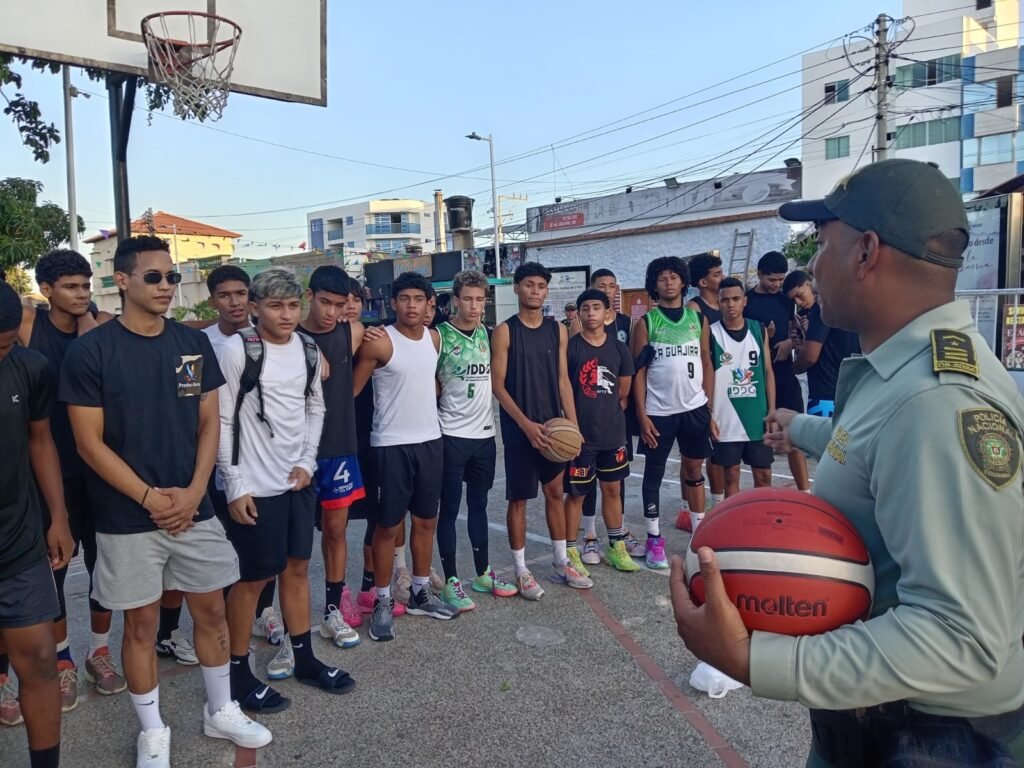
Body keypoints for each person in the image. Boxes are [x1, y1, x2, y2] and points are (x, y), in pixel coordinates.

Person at [671, 158, 1024, 766]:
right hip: (890, 719)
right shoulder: (907, 374)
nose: (811, 267)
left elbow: (963, 637)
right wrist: (802, 427)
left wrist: (754, 660)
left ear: (866, 252)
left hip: (932, 739)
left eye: (823, 245)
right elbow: (870, 445)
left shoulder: (937, 401)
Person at [60, 235, 270, 768]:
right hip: (126, 517)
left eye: (172, 277)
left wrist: (197, 490)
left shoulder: (190, 344)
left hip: (193, 508)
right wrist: (151, 497)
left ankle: (220, 708)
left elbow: (207, 424)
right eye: (154, 277)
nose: (167, 286)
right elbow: (89, 442)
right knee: (142, 625)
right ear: (122, 280)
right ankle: (152, 729)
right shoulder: (91, 352)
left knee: (212, 612)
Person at [217, 268, 354, 709]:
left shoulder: (309, 348)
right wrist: (234, 484)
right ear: (254, 309)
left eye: (293, 305)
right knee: (253, 579)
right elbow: (220, 421)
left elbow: (316, 407)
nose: (286, 314)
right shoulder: (237, 351)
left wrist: (307, 461)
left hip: (296, 481)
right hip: (253, 485)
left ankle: (305, 658)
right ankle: (237, 674)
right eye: (275, 306)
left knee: (297, 568)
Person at [16, 249, 126, 708]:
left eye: (86, 286)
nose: (82, 295)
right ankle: (61, 662)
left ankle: (97, 652)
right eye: (71, 287)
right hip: (45, 469)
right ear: (46, 291)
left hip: (96, 468)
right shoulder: (28, 325)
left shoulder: (98, 327)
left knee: (106, 567)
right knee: (56, 568)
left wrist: (86, 325)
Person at [354, 272, 457, 642]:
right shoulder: (380, 342)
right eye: (404, 299)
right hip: (390, 445)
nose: (411, 305)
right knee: (387, 527)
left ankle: (419, 590)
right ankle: (382, 600)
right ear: (393, 303)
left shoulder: (433, 339)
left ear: (429, 303)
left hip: (431, 441)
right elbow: (352, 393)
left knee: (426, 521)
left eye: (418, 299)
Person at [197, 266, 286, 680]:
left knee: (267, 560)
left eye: (240, 293)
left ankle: (263, 613)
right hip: (223, 468)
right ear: (212, 299)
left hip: (270, 469)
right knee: (236, 558)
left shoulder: (273, 337)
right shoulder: (203, 343)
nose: (233, 301)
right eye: (224, 295)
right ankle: (231, 649)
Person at [0, 279, 75, 768]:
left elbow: (41, 441)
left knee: (41, 660)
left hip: (18, 540)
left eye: (4, 344)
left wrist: (59, 517)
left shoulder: (29, 368)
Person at [491, 262, 582, 597]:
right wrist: (525, 424)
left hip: (554, 426)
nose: (534, 291)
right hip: (520, 428)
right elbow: (497, 385)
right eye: (528, 285)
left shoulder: (557, 329)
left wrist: (573, 423)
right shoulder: (504, 331)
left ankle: (561, 560)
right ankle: (521, 569)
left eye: (540, 286)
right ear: (516, 288)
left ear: (546, 291)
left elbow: (563, 381)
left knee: (555, 493)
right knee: (519, 499)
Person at [434, 270, 518, 611]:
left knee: (480, 505)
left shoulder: (487, 333)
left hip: (484, 435)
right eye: (467, 298)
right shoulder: (438, 336)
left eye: (479, 299)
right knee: (449, 510)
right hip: (451, 435)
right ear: (455, 300)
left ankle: (483, 572)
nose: (473, 305)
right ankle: (452, 580)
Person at [631, 256, 716, 564]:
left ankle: (698, 535)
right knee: (654, 473)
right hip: (659, 412)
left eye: (673, 277)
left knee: (694, 471)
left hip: (693, 409)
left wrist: (708, 404)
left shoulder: (698, 320)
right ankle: (654, 539)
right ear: (654, 284)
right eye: (662, 278)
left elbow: (707, 361)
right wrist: (641, 415)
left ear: (683, 281)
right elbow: (638, 371)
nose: (668, 282)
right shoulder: (647, 323)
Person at [299, 266, 365, 647]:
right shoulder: (289, 334)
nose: (331, 312)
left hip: (339, 446)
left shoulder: (352, 332)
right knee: (293, 543)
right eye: (325, 302)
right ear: (310, 296)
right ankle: (270, 613)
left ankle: (333, 609)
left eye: (339, 305)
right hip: (295, 452)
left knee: (337, 530)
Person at [571, 268, 645, 564]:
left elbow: (624, 390)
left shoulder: (618, 347)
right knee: (577, 493)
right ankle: (575, 548)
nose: (591, 313)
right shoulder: (571, 347)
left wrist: (609, 412)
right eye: (586, 308)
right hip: (579, 436)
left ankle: (616, 545)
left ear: (606, 312)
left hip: (612, 433)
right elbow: (565, 387)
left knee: (612, 488)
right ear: (578, 313)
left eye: (597, 307)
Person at [743, 251, 811, 492]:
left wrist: (789, 343)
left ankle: (805, 493)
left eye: (781, 280)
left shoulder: (787, 299)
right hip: (757, 379)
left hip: (785, 375)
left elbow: (802, 331)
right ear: (759, 275)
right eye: (772, 280)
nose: (777, 285)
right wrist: (765, 339)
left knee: (794, 438)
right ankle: (763, 496)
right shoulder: (746, 302)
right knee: (761, 445)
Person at [708, 277, 775, 497]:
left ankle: (763, 525)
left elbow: (767, 372)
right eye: (725, 300)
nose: (731, 304)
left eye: (736, 299)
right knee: (731, 474)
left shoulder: (759, 330)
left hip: (757, 415)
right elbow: (705, 377)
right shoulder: (710, 333)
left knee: (763, 475)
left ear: (745, 301)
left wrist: (772, 411)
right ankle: (733, 525)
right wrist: (709, 415)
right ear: (718, 303)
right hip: (725, 416)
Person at [684, 252, 727, 523]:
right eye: (717, 274)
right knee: (693, 455)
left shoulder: (725, 304)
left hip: (727, 380)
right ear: (702, 281)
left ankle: (716, 503)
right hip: (702, 382)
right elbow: (697, 353)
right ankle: (686, 506)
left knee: (718, 448)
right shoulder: (695, 308)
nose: (721, 278)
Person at [783, 269, 861, 419]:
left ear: (809, 284)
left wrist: (794, 368)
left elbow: (810, 356)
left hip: (824, 395)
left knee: (821, 441)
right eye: (793, 300)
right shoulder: (846, 306)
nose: (798, 303)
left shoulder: (820, 309)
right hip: (851, 393)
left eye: (799, 295)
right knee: (841, 441)